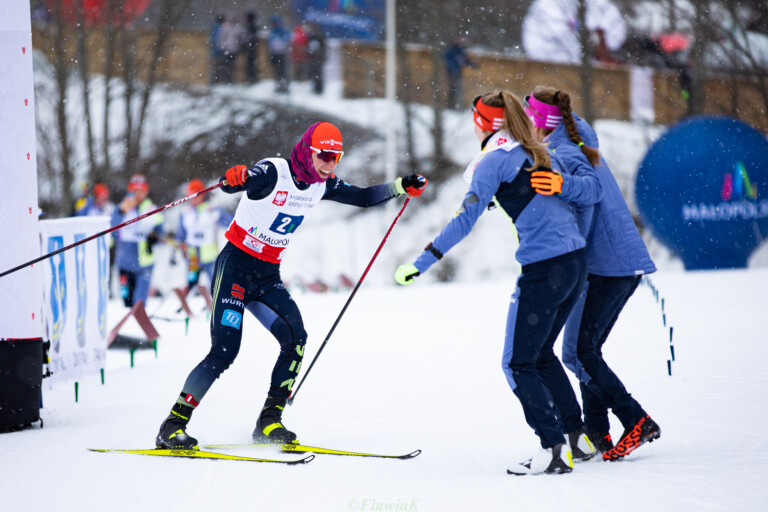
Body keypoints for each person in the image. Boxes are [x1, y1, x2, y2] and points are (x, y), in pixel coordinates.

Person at [155, 122, 428, 449]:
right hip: (235, 269)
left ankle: (269, 421)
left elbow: (364, 197)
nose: (330, 164)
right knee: (225, 351)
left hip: (267, 275)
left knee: (295, 337)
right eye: (324, 155)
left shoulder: (321, 184)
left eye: (336, 157)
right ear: (307, 152)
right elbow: (235, 183)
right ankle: (173, 425)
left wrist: (400, 185)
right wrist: (236, 176)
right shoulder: (275, 171)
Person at [394, 91, 601, 475]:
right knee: (540, 356)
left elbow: (463, 221)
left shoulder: (492, 162)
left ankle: (554, 449)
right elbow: (584, 193)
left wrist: (422, 262)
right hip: (574, 265)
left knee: (516, 363)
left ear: (484, 124)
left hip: (546, 271)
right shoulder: (537, 151)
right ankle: (577, 437)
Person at [525, 88, 661, 461]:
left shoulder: (566, 151)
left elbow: (590, 188)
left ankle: (635, 418)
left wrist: (561, 185)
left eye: (528, 120)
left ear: (542, 123)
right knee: (582, 351)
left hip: (608, 266)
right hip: (608, 264)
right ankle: (598, 432)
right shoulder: (573, 142)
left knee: (578, 353)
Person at [175, 179, 233, 306]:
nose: (195, 198)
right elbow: (181, 233)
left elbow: (230, 222)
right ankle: (183, 306)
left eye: (197, 194)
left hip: (209, 254)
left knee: (214, 281)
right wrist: (178, 245)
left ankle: (217, 304)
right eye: (192, 195)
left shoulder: (212, 209)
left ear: (203, 194)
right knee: (191, 281)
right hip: (193, 255)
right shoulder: (185, 212)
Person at [111, 174, 163, 309]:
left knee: (139, 302)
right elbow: (112, 230)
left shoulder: (152, 208)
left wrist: (154, 237)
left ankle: (140, 324)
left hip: (144, 264)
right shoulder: (121, 208)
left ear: (146, 192)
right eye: (135, 191)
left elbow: (161, 233)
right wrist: (121, 212)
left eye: (141, 191)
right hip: (124, 263)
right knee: (127, 302)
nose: (138, 195)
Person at [444, 38, 476, 110]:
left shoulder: (460, 50)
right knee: (453, 90)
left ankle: (456, 106)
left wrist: (471, 64)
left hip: (457, 72)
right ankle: (451, 106)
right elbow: (449, 60)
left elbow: (463, 60)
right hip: (452, 73)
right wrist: (453, 69)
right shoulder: (451, 50)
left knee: (456, 89)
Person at [216, 14, 246, 85]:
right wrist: (222, 47)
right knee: (226, 66)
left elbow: (242, 38)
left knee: (232, 66)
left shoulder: (237, 28)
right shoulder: (225, 28)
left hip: (234, 50)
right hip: (227, 50)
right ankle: (226, 80)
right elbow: (221, 39)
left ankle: (230, 80)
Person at [267, 15, 291, 93]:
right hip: (274, 54)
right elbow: (269, 43)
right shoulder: (272, 32)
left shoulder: (282, 31)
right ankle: (278, 85)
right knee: (277, 71)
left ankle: (283, 86)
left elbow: (287, 39)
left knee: (282, 71)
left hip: (282, 54)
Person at [306, 23, 326, 94]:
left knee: (318, 74)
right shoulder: (310, 36)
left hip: (318, 58)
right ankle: (315, 88)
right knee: (313, 73)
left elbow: (323, 47)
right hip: (313, 58)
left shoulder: (319, 36)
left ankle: (319, 89)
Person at [243, 11, 259, 83]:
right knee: (250, 64)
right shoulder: (251, 25)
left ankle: (251, 79)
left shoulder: (251, 26)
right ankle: (251, 78)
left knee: (251, 64)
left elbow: (250, 37)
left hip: (251, 48)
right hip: (251, 48)